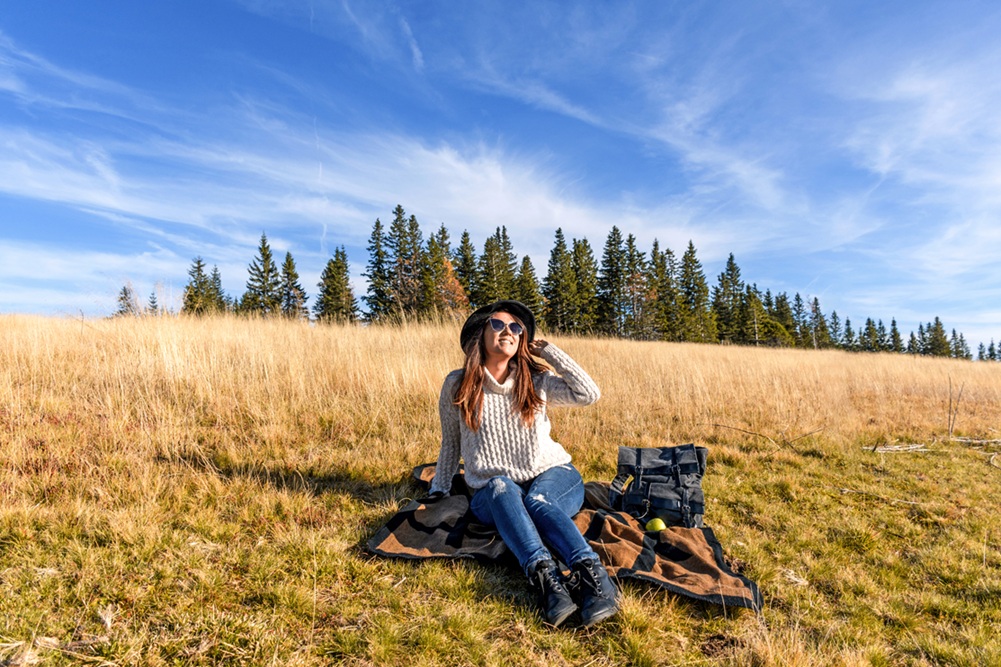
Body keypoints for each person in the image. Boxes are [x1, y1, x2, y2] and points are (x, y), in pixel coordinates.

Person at [428, 300, 620, 628]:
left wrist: (550, 352)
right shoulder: (457, 385)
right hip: (494, 491)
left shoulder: (535, 381)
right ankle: (547, 581)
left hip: (554, 475)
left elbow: (589, 394)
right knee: (503, 486)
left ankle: (594, 576)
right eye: (499, 325)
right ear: (479, 334)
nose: (509, 331)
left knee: (538, 500)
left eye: (516, 327)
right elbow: (451, 443)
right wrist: (439, 487)